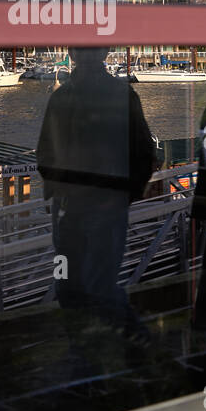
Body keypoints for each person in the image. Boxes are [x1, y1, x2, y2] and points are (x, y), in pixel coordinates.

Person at [35, 47, 159, 351]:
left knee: (70, 289)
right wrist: (124, 195)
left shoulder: (62, 97)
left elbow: (45, 154)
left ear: (72, 55)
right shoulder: (122, 95)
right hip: (107, 203)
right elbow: (145, 153)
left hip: (70, 206)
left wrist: (58, 191)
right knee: (99, 285)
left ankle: (94, 359)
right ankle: (133, 350)